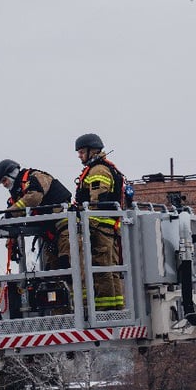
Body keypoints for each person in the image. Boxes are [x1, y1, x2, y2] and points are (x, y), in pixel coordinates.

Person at [72, 133, 127, 311]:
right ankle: (116, 308)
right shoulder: (102, 168)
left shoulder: (98, 171)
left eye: (81, 152)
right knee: (110, 269)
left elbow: (96, 202)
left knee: (102, 271)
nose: (79, 156)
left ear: (92, 151)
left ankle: (106, 311)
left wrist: (85, 221)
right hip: (107, 228)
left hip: (99, 228)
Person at [0, 158, 73, 271]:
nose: (4, 185)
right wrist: (11, 245)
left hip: (65, 226)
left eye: (5, 180)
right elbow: (14, 222)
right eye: (2, 183)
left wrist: (10, 213)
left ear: (12, 174)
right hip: (48, 234)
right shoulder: (16, 197)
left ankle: (81, 288)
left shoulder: (36, 177)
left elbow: (34, 198)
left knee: (68, 264)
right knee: (52, 270)